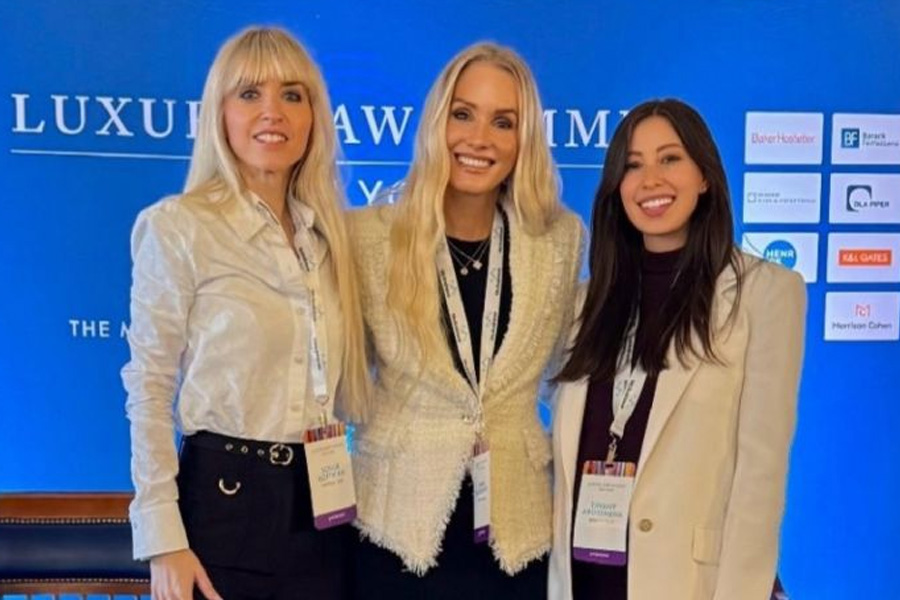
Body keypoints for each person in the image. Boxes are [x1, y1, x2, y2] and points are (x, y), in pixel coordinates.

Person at [122, 26, 368, 600]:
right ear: (220, 113)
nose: (272, 112)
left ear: (313, 117)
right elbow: (149, 386)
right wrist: (164, 541)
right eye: (250, 93)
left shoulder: (329, 239)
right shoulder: (179, 227)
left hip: (323, 511)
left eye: (292, 94)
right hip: (222, 506)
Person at [349, 42, 584, 599]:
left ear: (524, 140)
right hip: (395, 526)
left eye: (503, 122)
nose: (480, 138)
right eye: (463, 114)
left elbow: (566, 374)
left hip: (518, 530)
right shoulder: (367, 237)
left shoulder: (560, 239)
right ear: (438, 122)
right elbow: (333, 375)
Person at [549, 99, 806, 600]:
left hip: (690, 584)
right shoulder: (586, 302)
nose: (650, 181)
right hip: (585, 579)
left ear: (704, 175)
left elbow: (761, 478)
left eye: (670, 159)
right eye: (633, 165)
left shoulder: (765, 293)